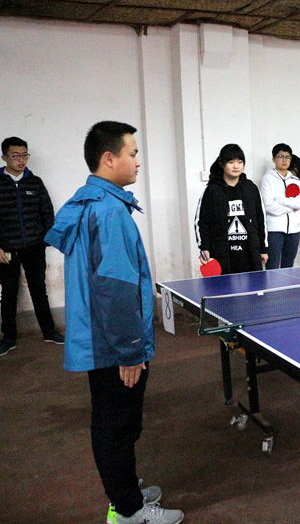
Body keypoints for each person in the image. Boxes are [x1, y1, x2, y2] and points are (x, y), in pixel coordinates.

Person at [44, 121, 184, 524]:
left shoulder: (91, 201)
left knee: (113, 422)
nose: (138, 161)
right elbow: (115, 289)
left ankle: (125, 490)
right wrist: (130, 351)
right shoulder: (109, 212)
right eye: (132, 153)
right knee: (118, 426)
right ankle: (128, 510)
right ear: (109, 158)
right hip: (113, 344)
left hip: (100, 336)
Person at [0, 137, 64, 357]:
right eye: (15, 155)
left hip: (34, 247)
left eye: (24, 155)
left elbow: (47, 212)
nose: (21, 159)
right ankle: (8, 338)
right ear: (4, 157)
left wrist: (45, 239)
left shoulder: (35, 182)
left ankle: (49, 332)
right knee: (9, 293)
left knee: (39, 289)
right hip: (6, 249)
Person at [195, 144, 268, 274]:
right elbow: (202, 222)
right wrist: (204, 247)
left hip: (250, 253)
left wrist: (263, 248)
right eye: (231, 162)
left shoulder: (251, 188)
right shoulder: (211, 190)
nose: (236, 166)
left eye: (240, 162)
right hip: (221, 254)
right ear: (222, 164)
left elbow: (261, 219)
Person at [261, 143, 300, 269]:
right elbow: (269, 206)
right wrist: (292, 208)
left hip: (294, 230)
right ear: (273, 159)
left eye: (287, 157)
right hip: (274, 230)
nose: (284, 160)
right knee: (273, 266)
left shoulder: (295, 180)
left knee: (289, 266)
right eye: (280, 156)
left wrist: (280, 200)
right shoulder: (268, 179)